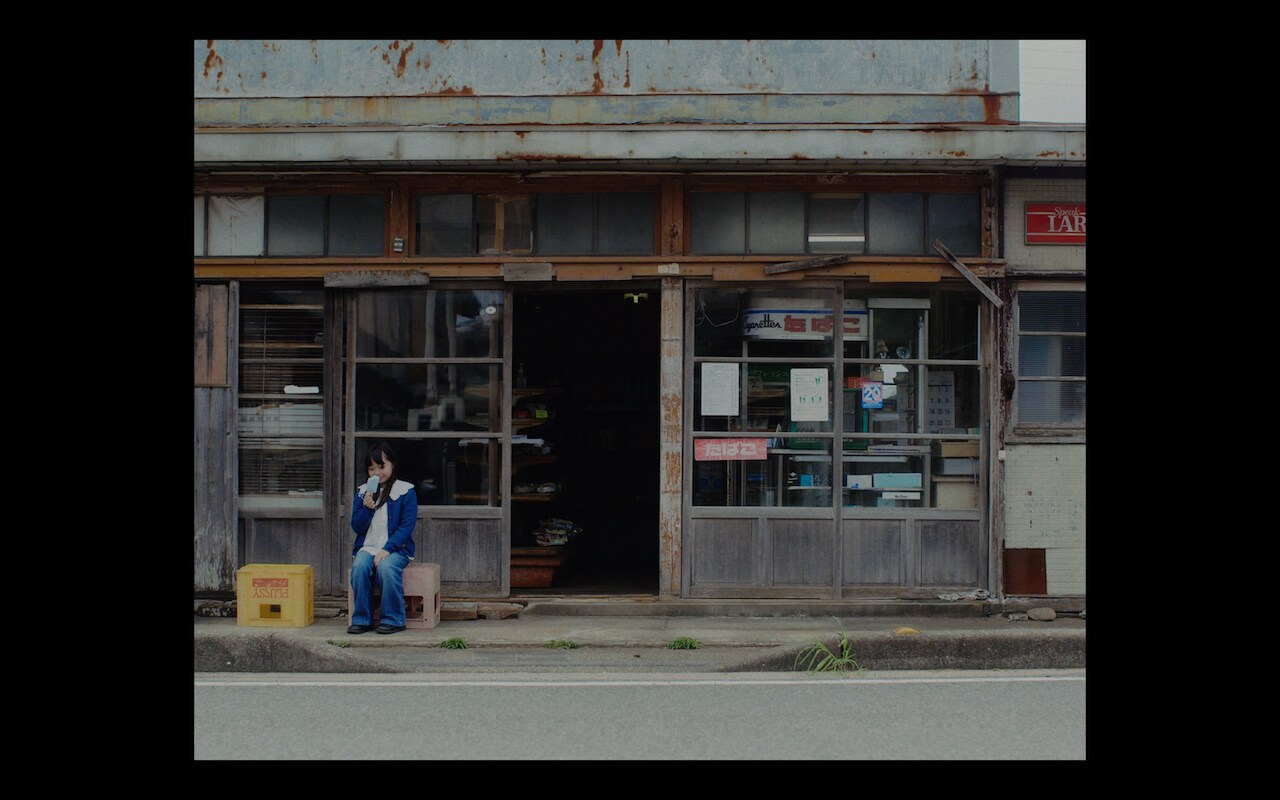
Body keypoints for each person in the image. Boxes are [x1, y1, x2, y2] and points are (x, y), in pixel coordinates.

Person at [347, 442, 418, 635]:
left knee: (386, 568)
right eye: (372, 468)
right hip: (367, 547)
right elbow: (356, 526)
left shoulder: (406, 492)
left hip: (396, 549)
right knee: (359, 568)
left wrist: (387, 549)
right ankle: (362, 619)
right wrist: (367, 509)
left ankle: (393, 619)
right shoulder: (363, 492)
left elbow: (406, 527)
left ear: (392, 465)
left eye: (381, 466)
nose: (377, 472)